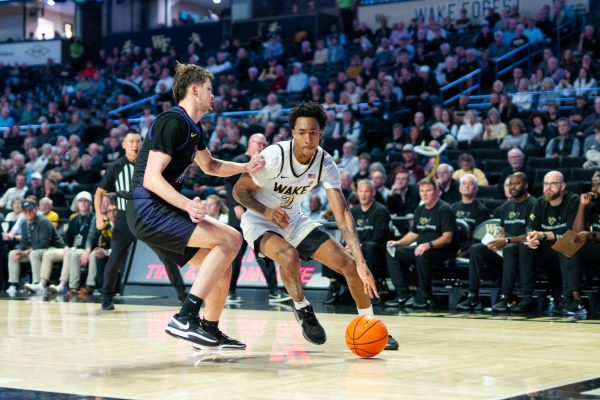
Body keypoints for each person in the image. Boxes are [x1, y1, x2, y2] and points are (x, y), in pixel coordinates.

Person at [232, 101, 398, 350]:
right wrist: (266, 211)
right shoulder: (275, 156)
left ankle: (370, 324)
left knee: (350, 266)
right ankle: (302, 308)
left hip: (294, 220)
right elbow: (239, 192)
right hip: (259, 221)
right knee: (288, 256)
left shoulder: (325, 163)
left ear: (321, 133)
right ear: (292, 133)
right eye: (301, 132)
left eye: (313, 132)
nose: (307, 138)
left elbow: (342, 213)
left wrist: (361, 261)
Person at [126, 63, 265, 350]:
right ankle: (185, 317)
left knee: (222, 263)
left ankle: (208, 330)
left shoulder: (194, 127)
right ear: (195, 89)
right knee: (231, 238)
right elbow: (152, 178)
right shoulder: (172, 121)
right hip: (148, 209)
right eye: (210, 89)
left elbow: (211, 166)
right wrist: (189, 204)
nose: (214, 95)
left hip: (161, 209)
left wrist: (246, 166)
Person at [94, 129, 188, 311]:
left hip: (148, 216)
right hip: (124, 217)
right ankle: (107, 297)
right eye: (131, 141)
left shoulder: (149, 165)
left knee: (167, 256)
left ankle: (182, 295)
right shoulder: (115, 167)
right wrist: (99, 215)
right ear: (123, 145)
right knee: (115, 258)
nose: (136, 145)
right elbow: (99, 192)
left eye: (138, 141)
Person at [223, 133, 291, 304]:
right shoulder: (240, 160)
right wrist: (235, 206)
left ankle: (274, 292)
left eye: (264, 143)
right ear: (250, 143)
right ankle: (229, 292)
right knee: (236, 256)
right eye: (258, 143)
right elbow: (228, 183)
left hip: (258, 215)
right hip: (239, 215)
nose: (261, 146)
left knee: (263, 254)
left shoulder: (264, 164)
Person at [456, 172, 535, 310]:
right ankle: (473, 295)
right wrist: (496, 242)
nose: (512, 187)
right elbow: (502, 231)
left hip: (523, 250)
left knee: (510, 249)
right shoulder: (506, 206)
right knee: (476, 248)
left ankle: (506, 297)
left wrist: (506, 241)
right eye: (510, 184)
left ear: (526, 185)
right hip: (505, 248)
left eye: (517, 183)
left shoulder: (533, 204)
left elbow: (531, 235)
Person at [385, 179, 458, 308]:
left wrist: (428, 245)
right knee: (393, 252)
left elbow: (447, 238)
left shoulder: (445, 208)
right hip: (421, 247)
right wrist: (398, 243)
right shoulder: (419, 209)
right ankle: (403, 294)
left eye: (428, 190)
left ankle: (425, 296)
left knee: (423, 255)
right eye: (422, 191)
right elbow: (414, 234)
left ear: (437, 192)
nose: (424, 194)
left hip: (443, 249)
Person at [520, 171, 582, 314]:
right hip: (548, 251)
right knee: (524, 246)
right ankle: (527, 296)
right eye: (546, 183)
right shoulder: (539, 202)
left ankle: (568, 298)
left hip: (566, 249)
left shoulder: (573, 201)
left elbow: (571, 233)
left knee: (566, 245)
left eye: (553, 184)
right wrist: (531, 238)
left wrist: (543, 235)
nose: (548, 187)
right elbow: (531, 227)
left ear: (563, 186)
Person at [7, 200, 64, 296]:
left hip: (53, 248)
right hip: (35, 249)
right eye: (25, 211)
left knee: (34, 253)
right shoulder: (24, 222)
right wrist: (19, 251)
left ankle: (37, 284)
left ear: (36, 210)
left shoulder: (43, 221)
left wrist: (25, 252)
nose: (28, 213)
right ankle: (13, 284)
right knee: (13, 253)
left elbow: (44, 243)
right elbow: (24, 242)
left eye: (30, 210)